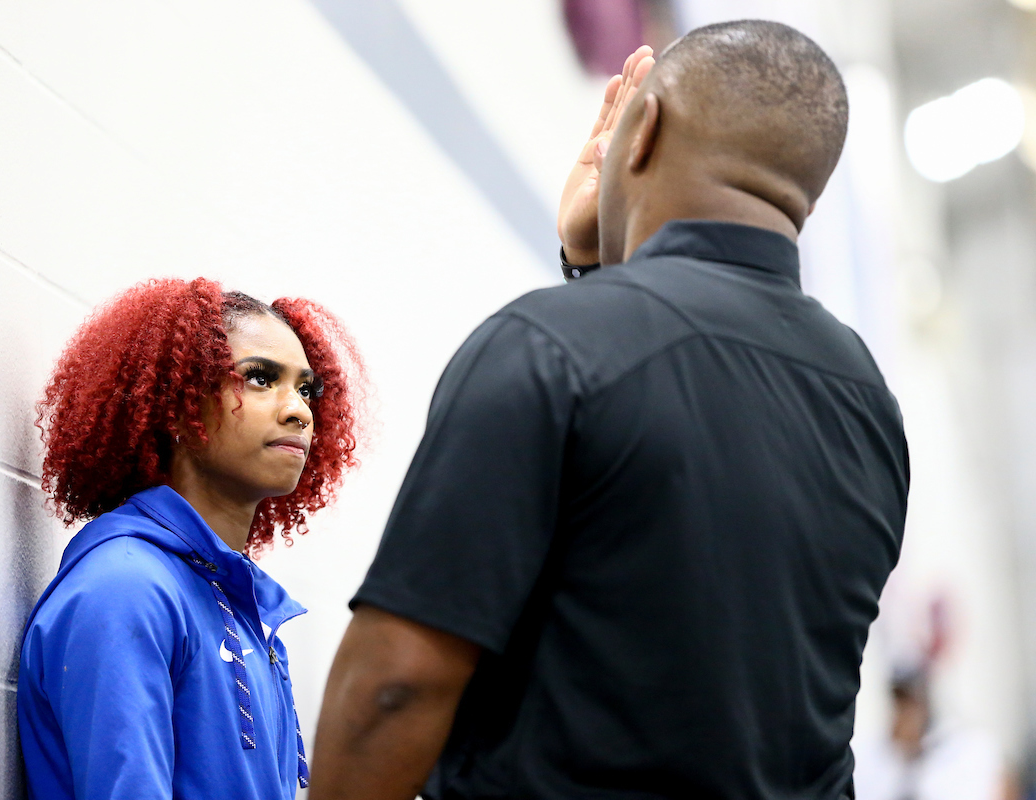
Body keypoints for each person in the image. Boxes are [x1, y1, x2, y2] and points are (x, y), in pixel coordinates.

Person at [309, 20, 909, 800]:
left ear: (643, 129)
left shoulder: (549, 348)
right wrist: (596, 271)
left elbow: (398, 687)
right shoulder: (869, 406)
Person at [16, 278, 363, 800]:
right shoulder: (126, 588)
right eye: (261, 378)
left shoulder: (242, 604)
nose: (299, 411)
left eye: (306, 387)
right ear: (176, 404)